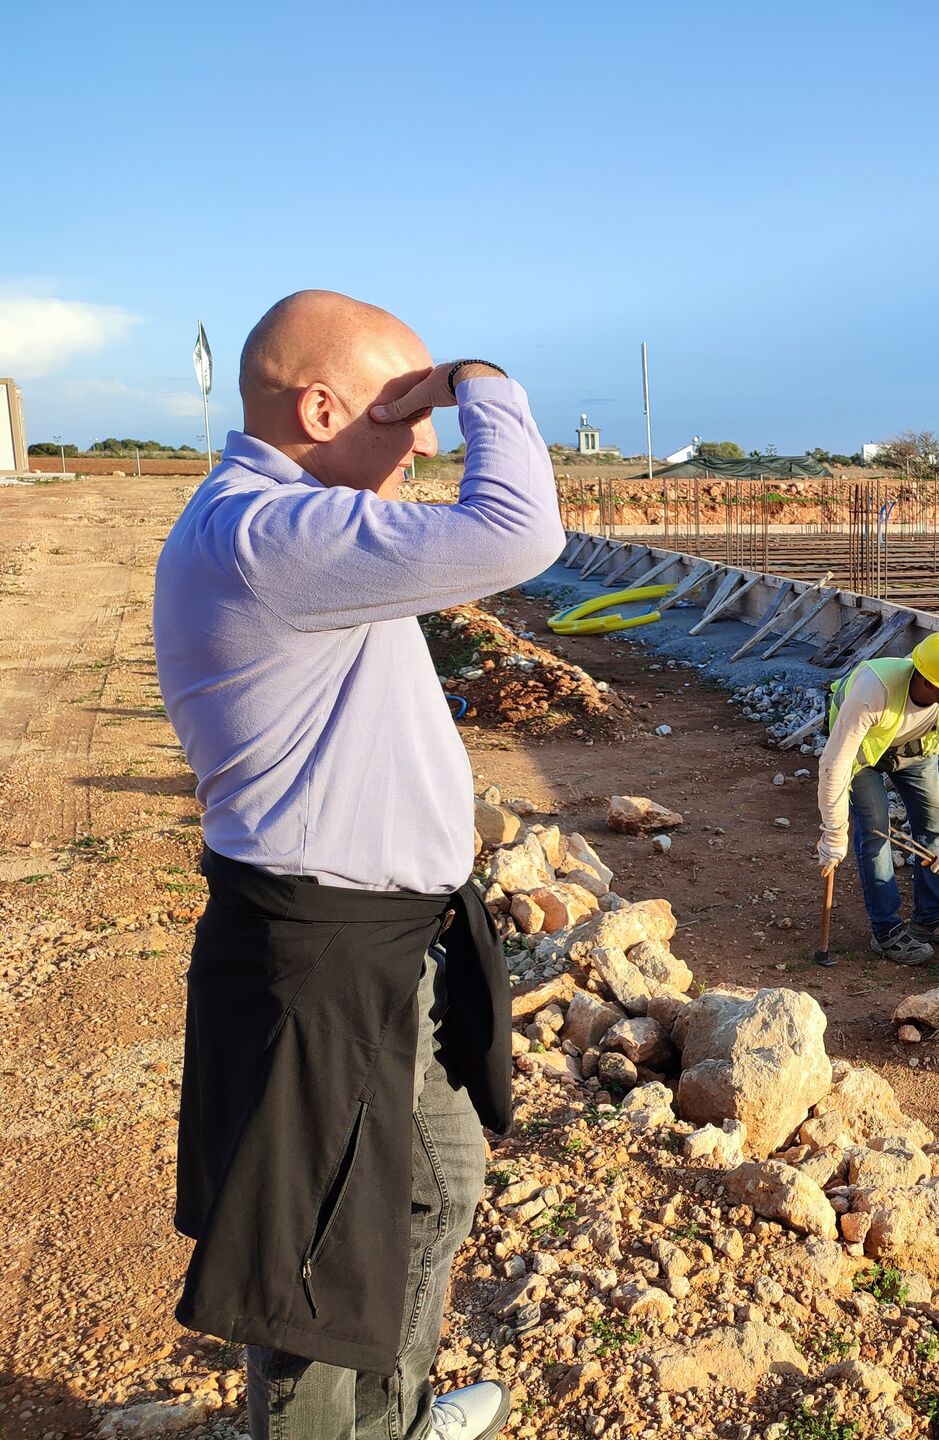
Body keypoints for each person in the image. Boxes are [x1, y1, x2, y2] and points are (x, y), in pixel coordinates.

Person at [154, 290, 565, 1440]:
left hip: (380, 940)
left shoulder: (300, 520)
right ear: (322, 407)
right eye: (406, 408)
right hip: (325, 951)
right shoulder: (275, 535)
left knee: (428, 1187)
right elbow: (520, 532)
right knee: (319, 1254)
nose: (427, 438)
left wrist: (428, 400)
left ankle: (395, 1413)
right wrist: (482, 377)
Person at [815, 631, 939, 965]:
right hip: (861, 756)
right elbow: (834, 765)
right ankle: (886, 931)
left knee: (936, 819)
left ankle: (929, 918)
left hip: (914, 750)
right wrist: (833, 834)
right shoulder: (874, 691)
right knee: (876, 828)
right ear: (926, 680)